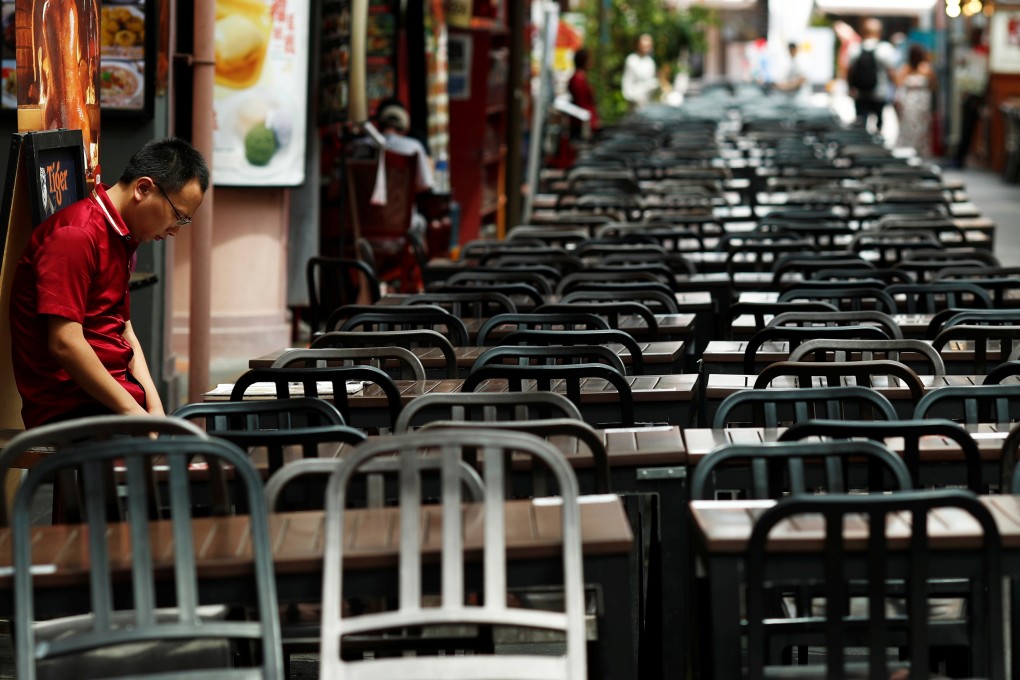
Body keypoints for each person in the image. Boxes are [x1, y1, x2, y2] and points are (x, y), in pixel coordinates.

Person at [9, 138, 209, 428]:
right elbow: (65, 342)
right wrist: (134, 414)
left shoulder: (122, 237)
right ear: (143, 188)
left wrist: (154, 410)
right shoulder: (75, 235)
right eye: (178, 216)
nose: (175, 231)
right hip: (75, 409)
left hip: (111, 403)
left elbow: (123, 328)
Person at [846, 18, 898, 133]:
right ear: (879, 32)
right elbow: (891, 72)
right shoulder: (885, 48)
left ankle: (861, 145)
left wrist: (850, 88)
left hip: (860, 92)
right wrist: (896, 90)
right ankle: (877, 146)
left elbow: (849, 70)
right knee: (879, 121)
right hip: (880, 92)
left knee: (860, 121)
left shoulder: (854, 48)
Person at [374, 99, 434, 195]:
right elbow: (426, 183)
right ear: (405, 123)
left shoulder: (361, 145)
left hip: (362, 208)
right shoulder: (414, 146)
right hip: (403, 206)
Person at [954, 27, 990, 168]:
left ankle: (961, 157)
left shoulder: (982, 54)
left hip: (975, 95)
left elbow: (979, 78)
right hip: (970, 94)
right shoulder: (975, 52)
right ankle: (960, 156)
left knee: (968, 127)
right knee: (965, 127)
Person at [894, 44, 937, 158]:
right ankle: (917, 149)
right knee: (920, 126)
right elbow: (933, 85)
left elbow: (898, 85)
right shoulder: (925, 68)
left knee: (911, 126)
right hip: (921, 100)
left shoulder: (906, 69)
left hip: (911, 101)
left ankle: (910, 149)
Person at [567, 47, 599, 139]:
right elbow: (582, 103)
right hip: (582, 124)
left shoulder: (580, 78)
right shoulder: (578, 79)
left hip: (585, 122)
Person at [621, 33, 658, 110]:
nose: (646, 48)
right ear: (638, 45)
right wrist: (631, 97)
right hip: (634, 102)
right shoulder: (631, 60)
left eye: (648, 46)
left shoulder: (650, 62)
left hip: (647, 102)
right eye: (644, 45)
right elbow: (627, 81)